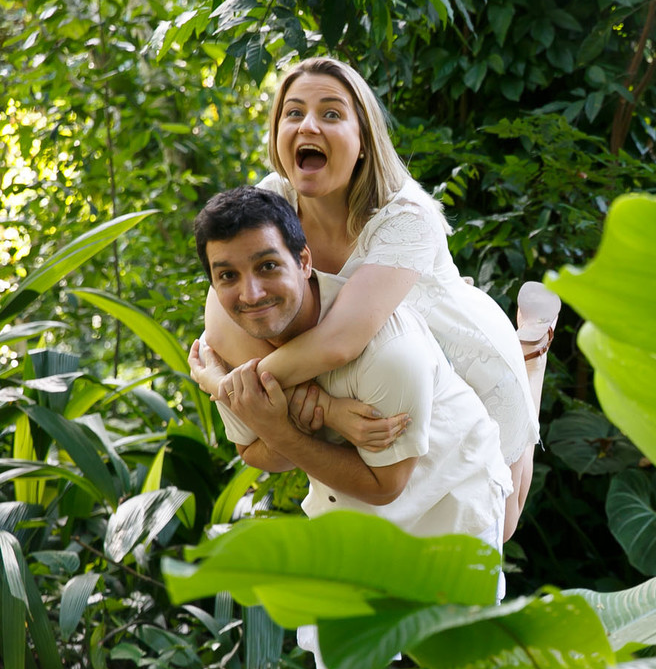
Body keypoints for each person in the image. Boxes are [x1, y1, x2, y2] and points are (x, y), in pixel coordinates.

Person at [189, 56, 558, 542]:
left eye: (332, 113)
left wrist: (224, 385)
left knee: (500, 519)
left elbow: (338, 341)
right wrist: (329, 410)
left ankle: (531, 353)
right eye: (293, 113)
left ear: (363, 141)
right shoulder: (274, 198)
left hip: (463, 356)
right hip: (376, 366)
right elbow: (225, 322)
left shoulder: (407, 216)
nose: (308, 125)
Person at [194, 185, 512, 669]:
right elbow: (258, 452)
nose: (249, 293)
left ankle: (527, 353)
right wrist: (307, 410)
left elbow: (385, 485)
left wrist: (252, 402)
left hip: (447, 494)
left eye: (268, 266)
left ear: (304, 261)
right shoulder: (230, 336)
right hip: (348, 503)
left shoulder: (388, 353)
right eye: (227, 275)